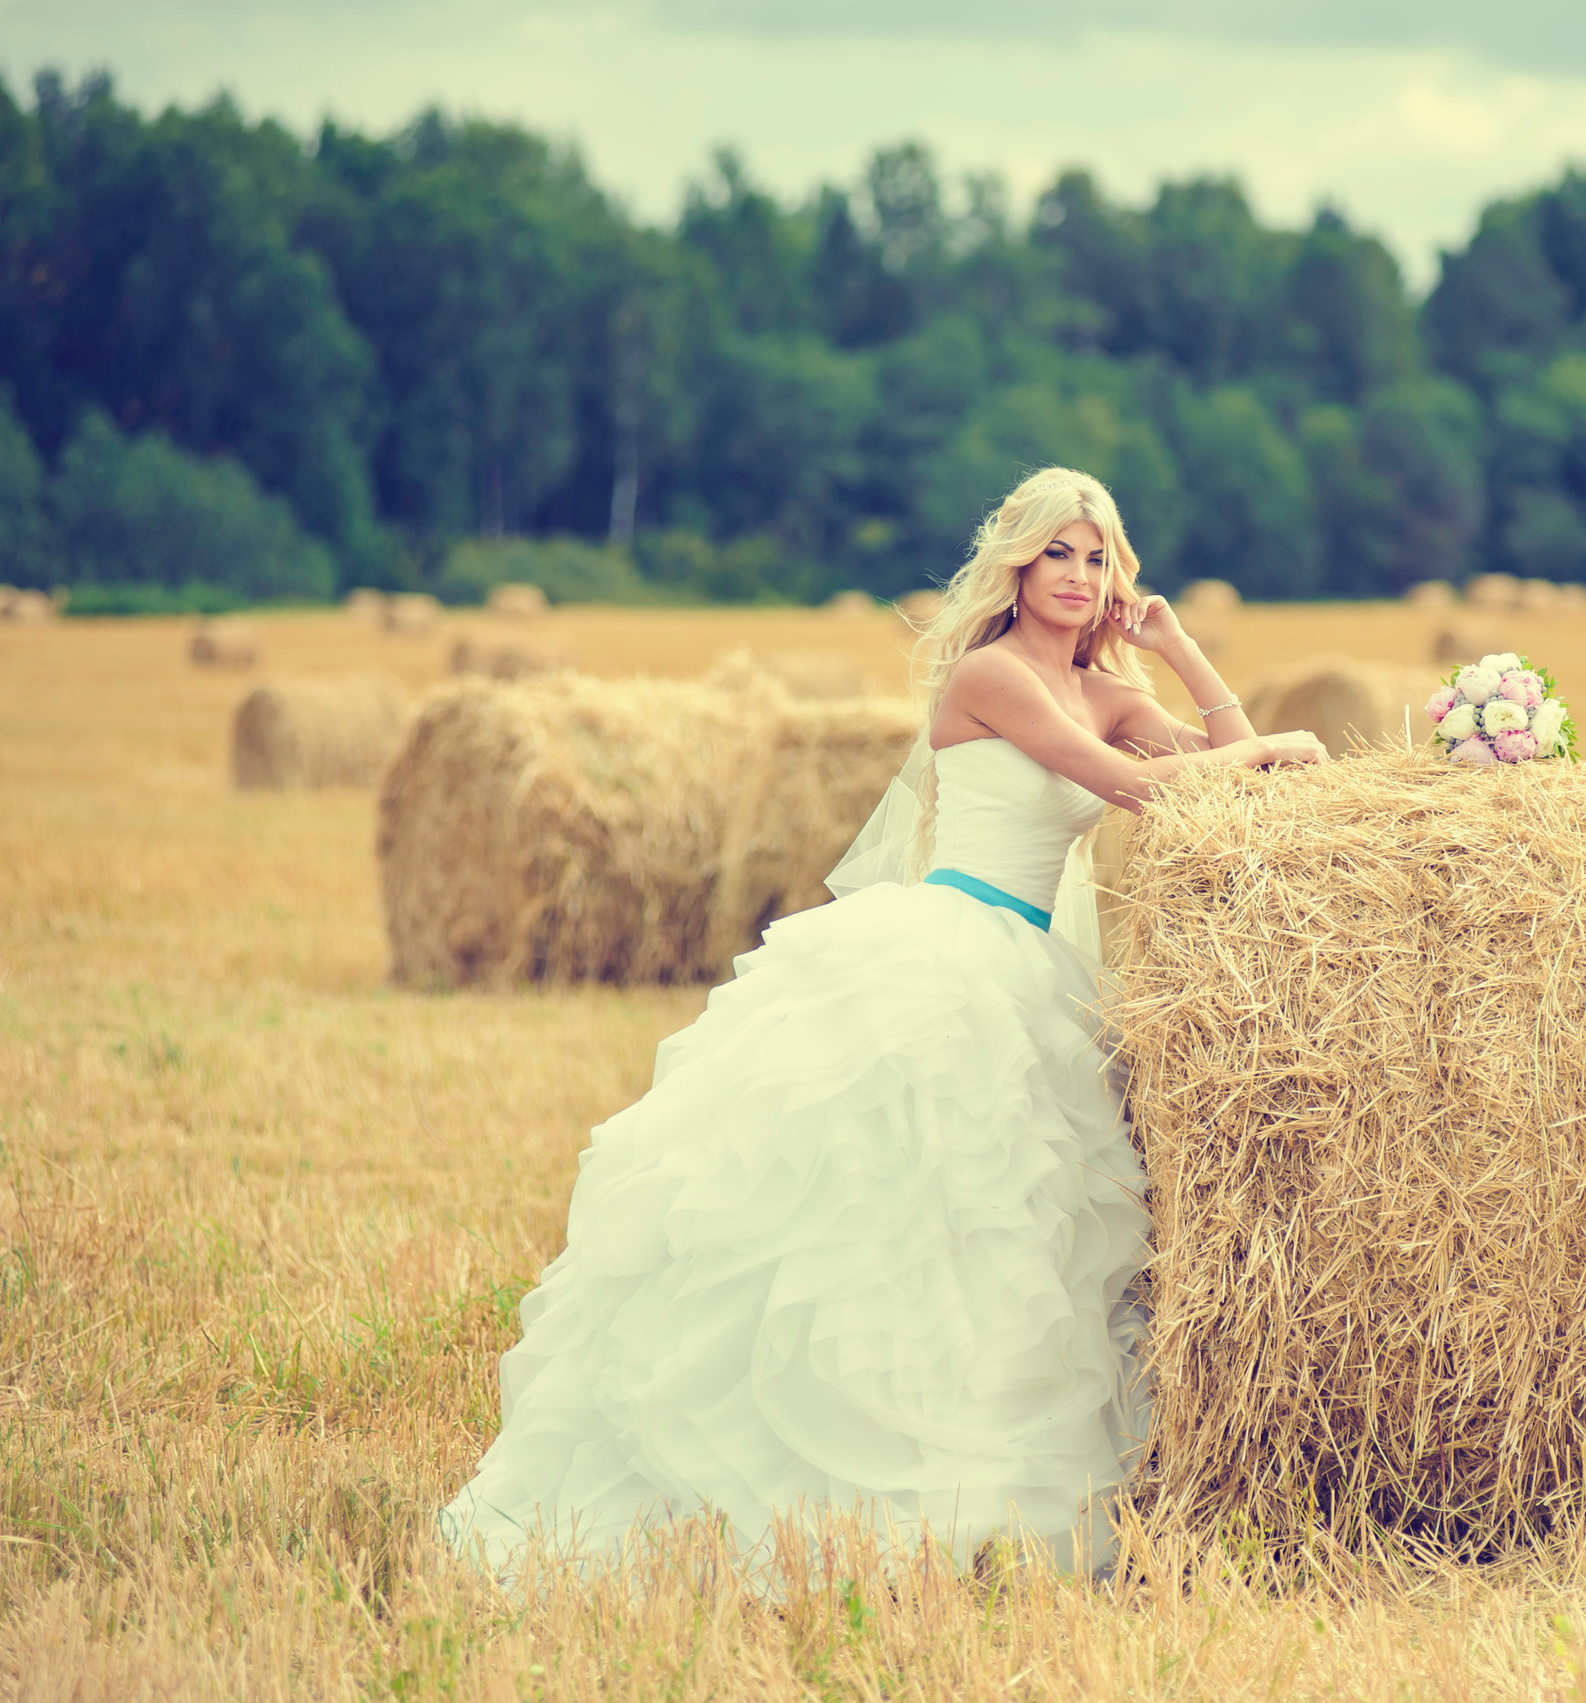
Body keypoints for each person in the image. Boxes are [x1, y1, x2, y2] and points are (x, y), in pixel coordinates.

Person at [440, 466, 1327, 1578]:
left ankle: (982, 1480)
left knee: (1011, 1234)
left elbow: (1223, 774)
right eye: (1058, 550)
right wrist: (1265, 749)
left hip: (1032, 971)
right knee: (894, 1210)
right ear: (1016, 562)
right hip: (947, 950)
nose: (1078, 573)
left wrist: (1181, 651)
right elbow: (1139, 787)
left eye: (1097, 555)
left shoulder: (1104, 685)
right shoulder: (993, 676)